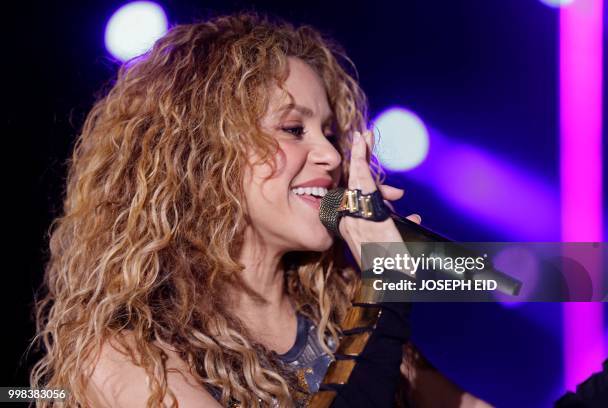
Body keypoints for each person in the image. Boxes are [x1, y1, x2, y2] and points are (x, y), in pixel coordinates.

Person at [30, 12, 491, 407]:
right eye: (294, 129)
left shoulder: (336, 309)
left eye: (329, 133)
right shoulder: (125, 353)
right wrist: (383, 293)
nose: (330, 156)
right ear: (207, 156)